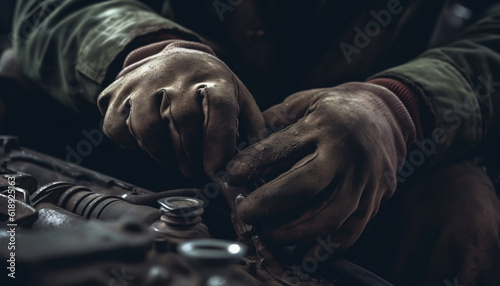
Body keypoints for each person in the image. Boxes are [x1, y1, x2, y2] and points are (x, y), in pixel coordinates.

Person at [7, 0, 500, 285]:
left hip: (370, 145)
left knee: (463, 216)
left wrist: (398, 109)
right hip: (128, 111)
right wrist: (147, 50)